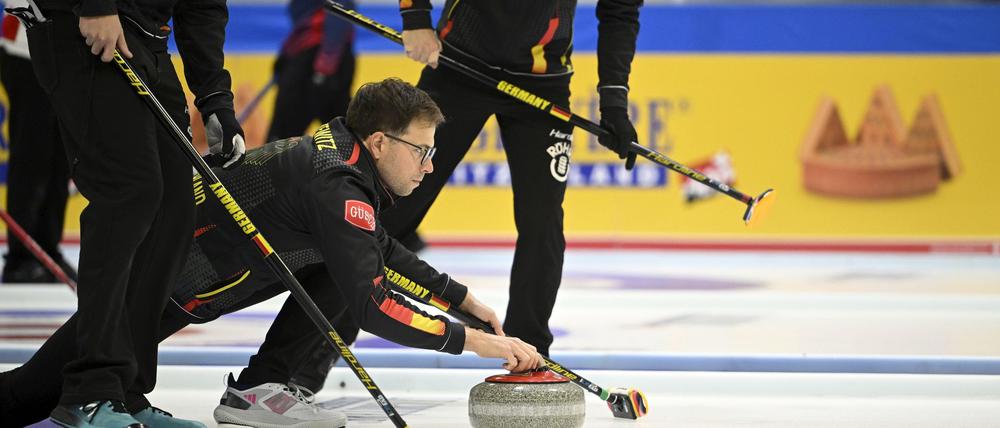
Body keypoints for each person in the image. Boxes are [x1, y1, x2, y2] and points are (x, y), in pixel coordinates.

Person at [0, 78, 544, 428]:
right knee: (25, 397)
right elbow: (374, 305)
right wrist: (475, 344)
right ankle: (261, 388)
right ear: (380, 143)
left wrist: (463, 299)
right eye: (422, 151)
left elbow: (374, 247)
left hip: (176, 282)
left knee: (349, 266)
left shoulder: (343, 165)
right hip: (156, 284)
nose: (429, 166)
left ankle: (265, 387)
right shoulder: (337, 187)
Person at [10, 0, 245, 424]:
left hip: (149, 38)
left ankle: (126, 392)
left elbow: (204, 5)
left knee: (175, 208)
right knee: (130, 193)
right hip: (84, 25)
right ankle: (91, 389)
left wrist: (214, 96)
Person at [384, 0, 642, 356]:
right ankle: (308, 353)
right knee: (394, 207)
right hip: (458, 63)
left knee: (543, 222)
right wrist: (415, 19)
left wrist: (614, 100)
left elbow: (620, 8)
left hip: (541, 82)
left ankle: (528, 352)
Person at [0, 0, 77, 284]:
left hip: (67, 55)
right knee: (32, 154)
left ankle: (47, 249)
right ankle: (21, 257)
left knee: (61, 156)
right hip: (25, 50)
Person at [267, 0, 356, 142]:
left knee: (281, 143)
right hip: (313, 52)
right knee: (343, 138)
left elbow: (339, 10)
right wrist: (287, 55)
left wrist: (327, 60)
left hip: (320, 56)